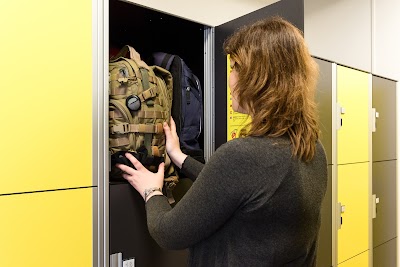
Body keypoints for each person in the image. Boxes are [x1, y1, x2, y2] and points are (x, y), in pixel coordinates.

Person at [117, 16, 328, 267]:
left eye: (236, 66)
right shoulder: (313, 150)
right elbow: (237, 186)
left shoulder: (243, 155)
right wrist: (180, 158)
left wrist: (151, 190)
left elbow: (168, 232)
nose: (230, 78)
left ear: (261, 78)